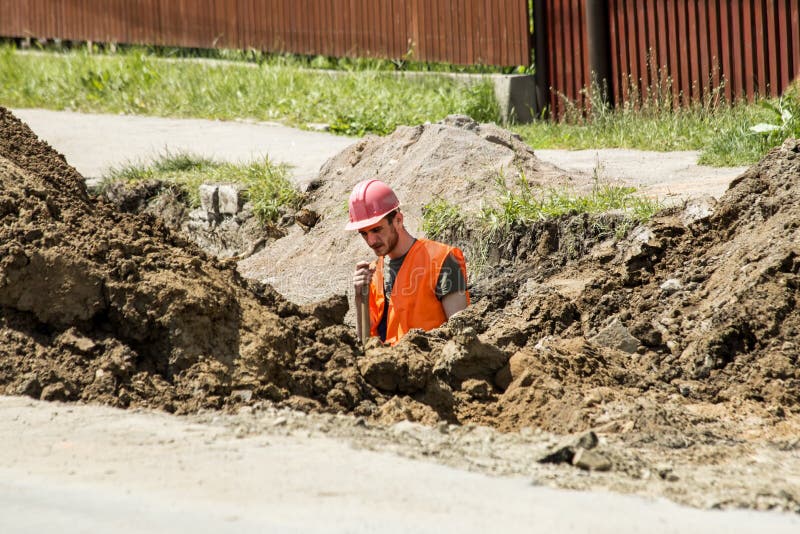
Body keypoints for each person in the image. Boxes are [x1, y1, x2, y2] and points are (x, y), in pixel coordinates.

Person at [346, 179, 469, 345]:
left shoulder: (442, 259)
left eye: (376, 229)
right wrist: (360, 297)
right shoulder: (373, 273)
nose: (371, 240)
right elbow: (365, 344)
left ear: (398, 220)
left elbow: (463, 336)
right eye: (364, 233)